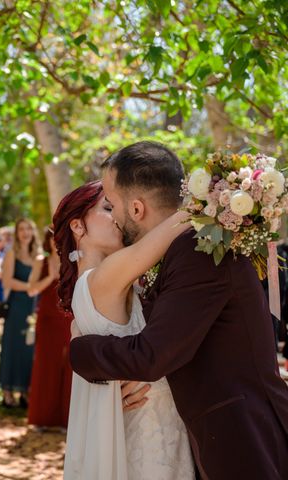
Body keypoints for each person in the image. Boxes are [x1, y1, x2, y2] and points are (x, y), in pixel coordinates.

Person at [69, 141, 288, 479]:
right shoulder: (184, 247)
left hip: (243, 437)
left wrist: (77, 350)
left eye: (112, 205)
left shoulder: (197, 249)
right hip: (215, 436)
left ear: (137, 209)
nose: (113, 218)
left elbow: (153, 355)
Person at [53, 180, 193, 479]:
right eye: (109, 207)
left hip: (152, 421)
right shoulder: (102, 277)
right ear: (78, 226)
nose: (119, 215)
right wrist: (217, 196)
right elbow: (171, 229)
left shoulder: (104, 283)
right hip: (147, 431)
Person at [26, 228, 73, 429]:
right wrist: (50, 277)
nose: (57, 242)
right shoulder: (40, 261)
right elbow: (31, 289)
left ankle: (65, 419)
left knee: (67, 364)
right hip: (46, 318)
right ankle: (43, 418)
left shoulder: (73, 261)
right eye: (53, 238)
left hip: (67, 318)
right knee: (46, 363)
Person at [0, 218, 39, 407]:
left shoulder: (38, 255)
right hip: (16, 307)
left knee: (28, 349)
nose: (25, 233)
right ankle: (7, 392)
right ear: (16, 233)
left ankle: (25, 391)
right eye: (21, 229)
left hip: (34, 306)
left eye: (28, 229)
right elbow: (7, 282)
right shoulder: (11, 254)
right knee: (13, 346)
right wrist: (30, 287)